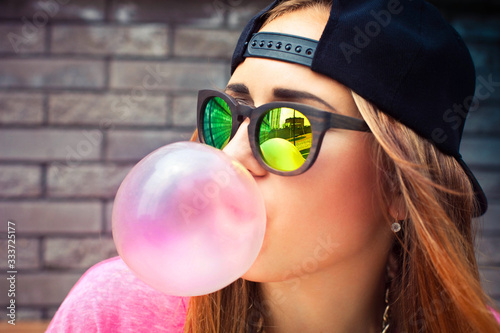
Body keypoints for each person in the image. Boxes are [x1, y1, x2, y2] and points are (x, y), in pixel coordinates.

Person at [47, 0, 500, 332]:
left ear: (399, 189)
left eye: (288, 128)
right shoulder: (117, 312)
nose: (231, 156)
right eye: (227, 117)